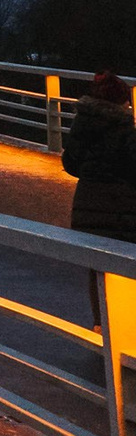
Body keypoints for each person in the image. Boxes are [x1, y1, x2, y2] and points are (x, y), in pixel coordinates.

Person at [67, 71, 136, 320]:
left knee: (97, 266)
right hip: (123, 210)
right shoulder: (125, 130)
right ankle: (124, 323)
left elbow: (71, 163)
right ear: (121, 102)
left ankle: (101, 322)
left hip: (87, 207)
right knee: (126, 263)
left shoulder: (82, 125)